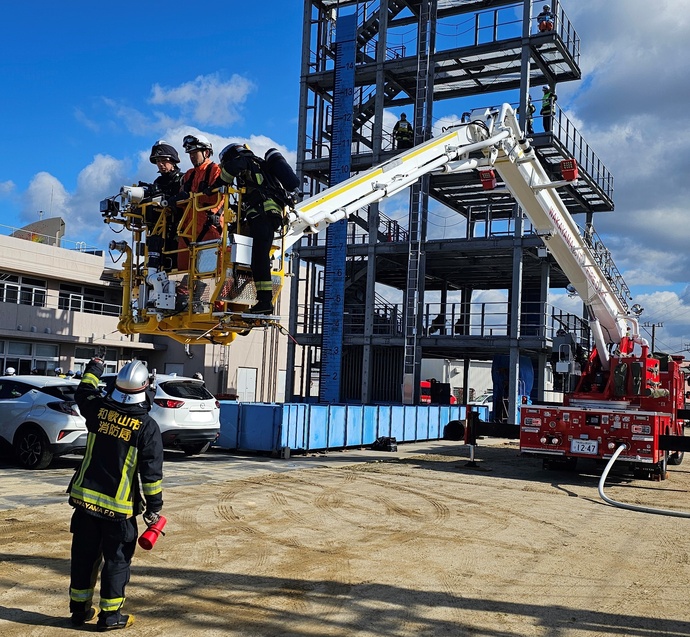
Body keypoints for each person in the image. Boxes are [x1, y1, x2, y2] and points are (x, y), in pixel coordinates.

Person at [67, 357, 163, 630]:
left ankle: (79, 611)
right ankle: (110, 616)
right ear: (145, 388)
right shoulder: (146, 427)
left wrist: (95, 368)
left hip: (85, 503)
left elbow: (83, 391)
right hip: (118, 511)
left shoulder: (97, 410)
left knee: (84, 558)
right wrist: (154, 508)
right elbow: (151, 475)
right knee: (117, 562)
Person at [218, 143, 285, 314]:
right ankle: (263, 301)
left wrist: (219, 183)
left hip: (262, 216)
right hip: (269, 215)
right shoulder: (261, 166)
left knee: (259, 258)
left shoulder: (245, 161)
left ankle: (264, 302)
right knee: (258, 257)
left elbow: (233, 168)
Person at [176, 134, 223, 272]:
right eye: (189, 153)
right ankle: (183, 294)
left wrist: (193, 197)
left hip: (209, 228)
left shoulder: (215, 170)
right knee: (183, 272)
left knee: (211, 273)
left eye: (194, 153)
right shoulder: (188, 175)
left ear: (206, 152)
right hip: (187, 230)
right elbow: (181, 201)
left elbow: (220, 198)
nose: (191, 156)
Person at [146, 141, 184, 271]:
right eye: (157, 161)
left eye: (163, 160)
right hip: (158, 229)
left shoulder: (183, 179)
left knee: (175, 262)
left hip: (177, 229)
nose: (160, 164)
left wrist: (170, 201)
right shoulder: (158, 182)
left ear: (173, 161)